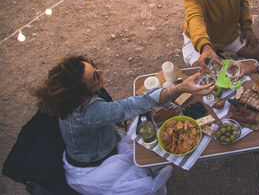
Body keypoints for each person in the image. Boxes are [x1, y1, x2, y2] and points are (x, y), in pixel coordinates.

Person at [31, 55, 214, 195]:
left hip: (107, 141)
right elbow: (130, 106)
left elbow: (121, 109)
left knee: (150, 155)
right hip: (96, 166)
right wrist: (179, 88)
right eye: (94, 76)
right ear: (80, 93)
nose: (100, 73)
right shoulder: (86, 112)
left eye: (93, 66)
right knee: (144, 185)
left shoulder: (75, 99)